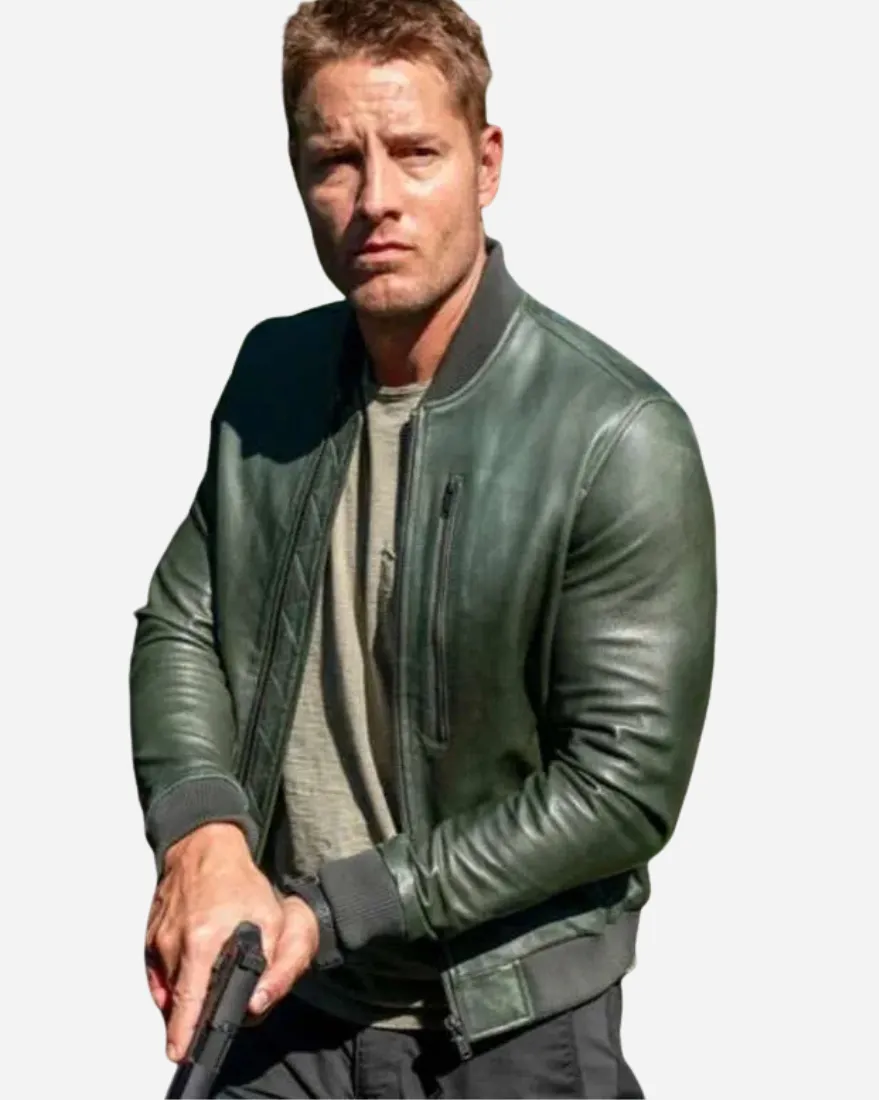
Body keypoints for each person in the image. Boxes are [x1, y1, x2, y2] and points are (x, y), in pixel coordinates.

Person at [131, 1, 717, 1096]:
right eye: (334, 161)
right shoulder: (273, 377)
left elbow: (621, 786)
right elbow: (183, 620)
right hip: (281, 1012)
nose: (375, 199)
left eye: (415, 153)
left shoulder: (616, 436)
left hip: (501, 1028)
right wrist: (201, 834)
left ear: (487, 163)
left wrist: (337, 906)